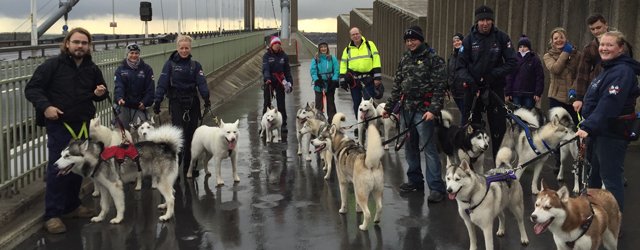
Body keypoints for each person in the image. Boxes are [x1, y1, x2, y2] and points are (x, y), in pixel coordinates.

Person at [24, 27, 107, 234]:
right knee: (59, 169)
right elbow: (32, 88)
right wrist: (46, 107)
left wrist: (99, 93)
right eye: (76, 42)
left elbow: (101, 93)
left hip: (81, 125)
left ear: (89, 46)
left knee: (77, 168)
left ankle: (72, 206)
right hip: (60, 126)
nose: (80, 46)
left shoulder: (91, 68)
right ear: (67, 43)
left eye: (84, 43)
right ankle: (52, 214)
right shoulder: (52, 66)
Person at [576, 31, 639, 212]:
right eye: (602, 44)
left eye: (609, 45)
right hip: (598, 132)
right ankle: (592, 215)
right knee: (593, 176)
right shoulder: (608, 68)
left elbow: (609, 104)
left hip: (612, 133)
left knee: (611, 179)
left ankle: (614, 221)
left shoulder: (622, 72)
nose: (604, 48)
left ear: (621, 48)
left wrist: (587, 126)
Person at [382, 26, 447, 202]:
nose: (410, 43)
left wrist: (433, 110)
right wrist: (389, 108)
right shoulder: (405, 58)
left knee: (429, 149)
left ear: (421, 39)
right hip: (406, 110)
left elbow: (440, 88)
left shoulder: (434, 59)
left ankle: (436, 187)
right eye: (407, 40)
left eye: (413, 39)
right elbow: (397, 85)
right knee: (410, 147)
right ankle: (415, 180)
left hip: (424, 111)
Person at [456, 5, 517, 157]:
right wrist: (472, 81)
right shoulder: (469, 40)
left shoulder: (502, 37)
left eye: (488, 20)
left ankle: (498, 165)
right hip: (473, 90)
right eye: (481, 20)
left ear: (492, 21)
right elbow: (460, 67)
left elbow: (512, 62)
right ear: (477, 22)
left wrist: (493, 74)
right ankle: (470, 164)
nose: (485, 23)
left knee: (498, 129)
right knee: (469, 129)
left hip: (494, 89)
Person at [153, 35, 210, 170]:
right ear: (177, 48)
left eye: (187, 48)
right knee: (178, 137)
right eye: (181, 48)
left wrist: (206, 98)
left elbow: (202, 84)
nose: (184, 51)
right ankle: (175, 169)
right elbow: (162, 84)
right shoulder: (170, 65)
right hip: (177, 103)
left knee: (192, 137)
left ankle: (190, 167)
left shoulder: (195, 65)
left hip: (192, 104)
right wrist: (157, 101)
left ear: (190, 49)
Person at [339, 27, 383, 136]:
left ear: (360, 34)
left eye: (357, 33)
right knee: (357, 105)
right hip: (354, 80)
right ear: (350, 37)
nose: (355, 36)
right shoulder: (347, 49)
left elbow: (376, 60)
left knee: (369, 104)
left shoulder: (370, 45)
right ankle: (361, 125)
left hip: (368, 79)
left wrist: (377, 77)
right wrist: (342, 79)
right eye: (353, 34)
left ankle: (372, 127)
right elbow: (343, 64)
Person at [543, 27, 582, 124]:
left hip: (573, 97)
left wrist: (574, 89)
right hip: (556, 97)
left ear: (566, 39)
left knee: (576, 124)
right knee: (556, 126)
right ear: (552, 41)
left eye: (561, 37)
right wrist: (565, 52)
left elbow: (580, 74)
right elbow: (556, 69)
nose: (559, 40)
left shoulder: (577, 55)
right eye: (555, 38)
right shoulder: (548, 56)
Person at [573, 14, 610, 113]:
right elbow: (582, 74)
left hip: (615, 88)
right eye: (592, 29)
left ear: (606, 25)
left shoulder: (621, 43)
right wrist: (579, 98)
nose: (596, 31)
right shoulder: (589, 48)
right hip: (596, 90)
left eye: (598, 27)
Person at [114, 43, 155, 128]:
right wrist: (119, 97)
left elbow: (150, 89)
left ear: (139, 54)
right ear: (127, 54)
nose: (134, 55)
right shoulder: (120, 69)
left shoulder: (147, 69)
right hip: (124, 105)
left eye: (136, 53)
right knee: (121, 132)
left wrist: (145, 102)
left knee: (142, 131)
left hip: (139, 106)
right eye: (131, 53)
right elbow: (119, 85)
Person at [262, 36, 293, 132]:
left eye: (278, 44)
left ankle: (283, 124)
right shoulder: (266, 56)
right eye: (275, 44)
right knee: (267, 104)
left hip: (280, 81)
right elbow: (265, 68)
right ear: (272, 45)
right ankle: (264, 125)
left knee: (281, 104)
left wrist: (290, 83)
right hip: (269, 81)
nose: (277, 45)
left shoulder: (284, 56)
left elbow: (287, 71)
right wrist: (267, 78)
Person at [505, 35, 544, 110]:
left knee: (528, 115)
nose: (522, 49)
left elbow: (539, 77)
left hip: (529, 94)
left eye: (525, 46)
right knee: (517, 115)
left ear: (529, 47)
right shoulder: (514, 58)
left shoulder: (534, 59)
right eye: (520, 46)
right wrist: (508, 92)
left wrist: (538, 93)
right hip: (516, 93)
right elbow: (509, 76)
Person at [310, 41, 339, 122]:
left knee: (331, 104)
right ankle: (319, 122)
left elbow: (336, 69)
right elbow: (313, 70)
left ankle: (332, 121)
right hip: (319, 84)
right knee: (319, 104)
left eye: (325, 47)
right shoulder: (315, 59)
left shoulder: (332, 58)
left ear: (327, 48)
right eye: (321, 47)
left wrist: (334, 79)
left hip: (330, 83)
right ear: (319, 48)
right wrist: (316, 80)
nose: (323, 48)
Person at [447, 33, 467, 125]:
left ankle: (463, 133)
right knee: (463, 113)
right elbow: (448, 72)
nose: (456, 43)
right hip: (455, 92)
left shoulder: (467, 55)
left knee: (465, 114)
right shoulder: (451, 57)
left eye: (458, 40)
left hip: (464, 90)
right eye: (454, 41)